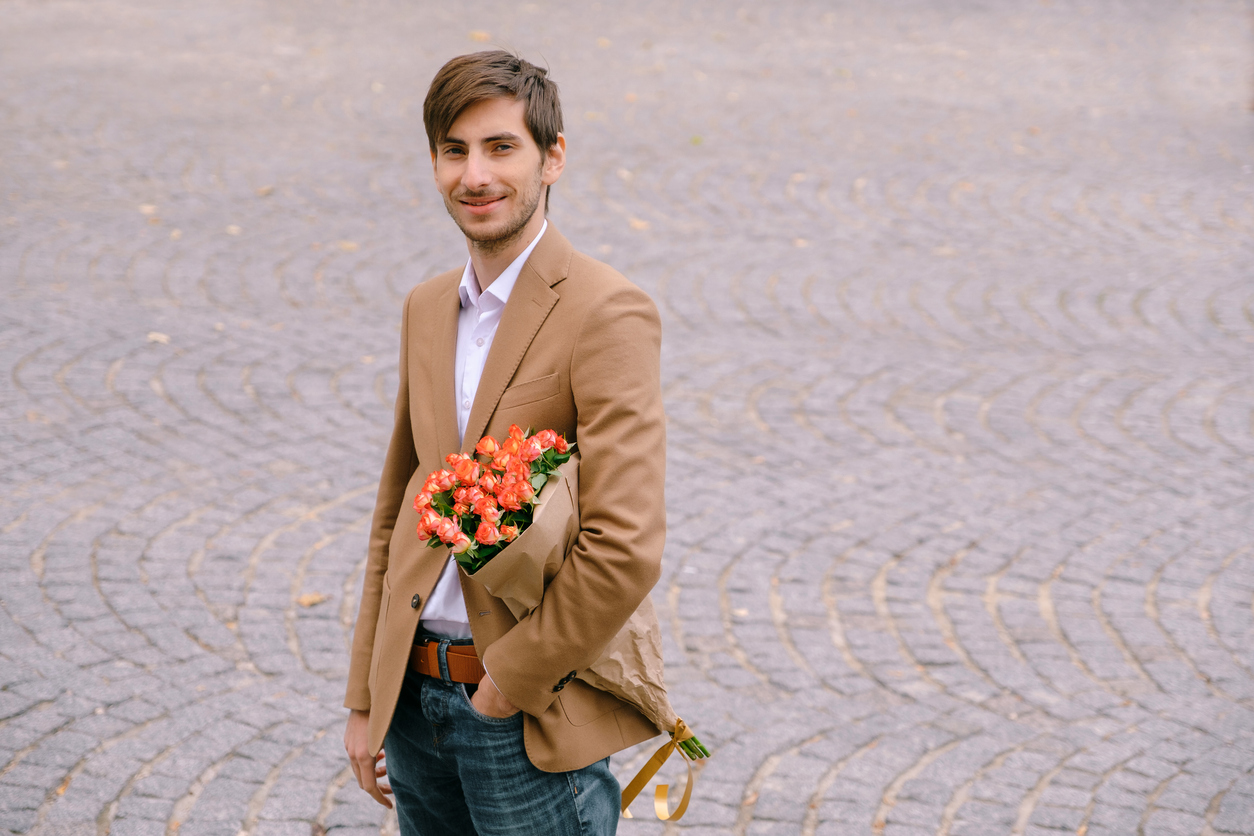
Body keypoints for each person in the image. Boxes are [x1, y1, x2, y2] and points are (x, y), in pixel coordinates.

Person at [342, 50, 668, 836]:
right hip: (413, 707)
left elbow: (625, 546)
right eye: (454, 151)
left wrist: (505, 688)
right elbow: (399, 509)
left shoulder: (607, 311)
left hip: (525, 715)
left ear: (552, 156)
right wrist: (366, 697)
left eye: (500, 147)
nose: (475, 175)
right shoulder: (426, 307)